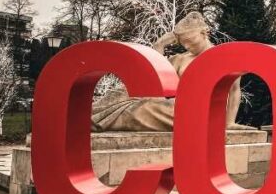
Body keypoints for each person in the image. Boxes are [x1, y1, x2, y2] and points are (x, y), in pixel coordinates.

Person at [91, 11, 244, 131]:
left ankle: (96, 123)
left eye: (190, 41)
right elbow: (156, 77)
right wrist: (160, 44)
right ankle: (85, 117)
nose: (186, 46)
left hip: (198, 112)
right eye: (183, 43)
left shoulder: (223, 58)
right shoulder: (182, 59)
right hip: (172, 105)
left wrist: (229, 122)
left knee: (142, 107)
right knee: (123, 91)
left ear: (204, 33)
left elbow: (235, 89)